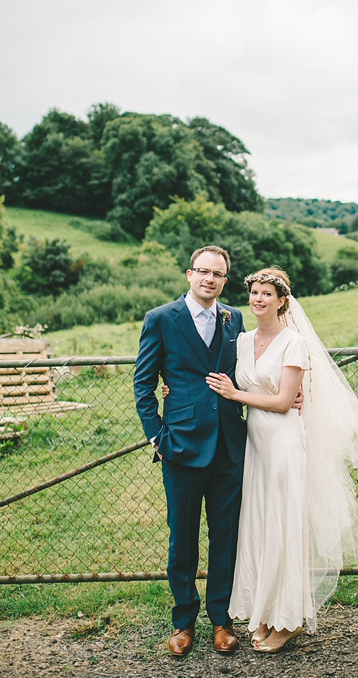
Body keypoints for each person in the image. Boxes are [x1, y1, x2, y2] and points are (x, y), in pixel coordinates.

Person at [206, 267, 358, 653]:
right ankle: (265, 612)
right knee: (261, 524)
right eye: (254, 292)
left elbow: (285, 401)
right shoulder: (242, 339)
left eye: (267, 294)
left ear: (282, 301)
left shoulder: (293, 343)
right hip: (255, 444)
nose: (258, 299)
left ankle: (288, 620)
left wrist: (237, 396)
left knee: (284, 526)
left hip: (284, 443)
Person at [133, 245, 246, 657]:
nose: (209, 279)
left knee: (226, 537)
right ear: (189, 274)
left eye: (218, 274)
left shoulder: (234, 317)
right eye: (203, 271)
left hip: (229, 447)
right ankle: (183, 621)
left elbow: (242, 372)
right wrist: (156, 437)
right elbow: (143, 384)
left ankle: (222, 619)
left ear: (224, 280)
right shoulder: (161, 319)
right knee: (182, 539)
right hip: (179, 447)